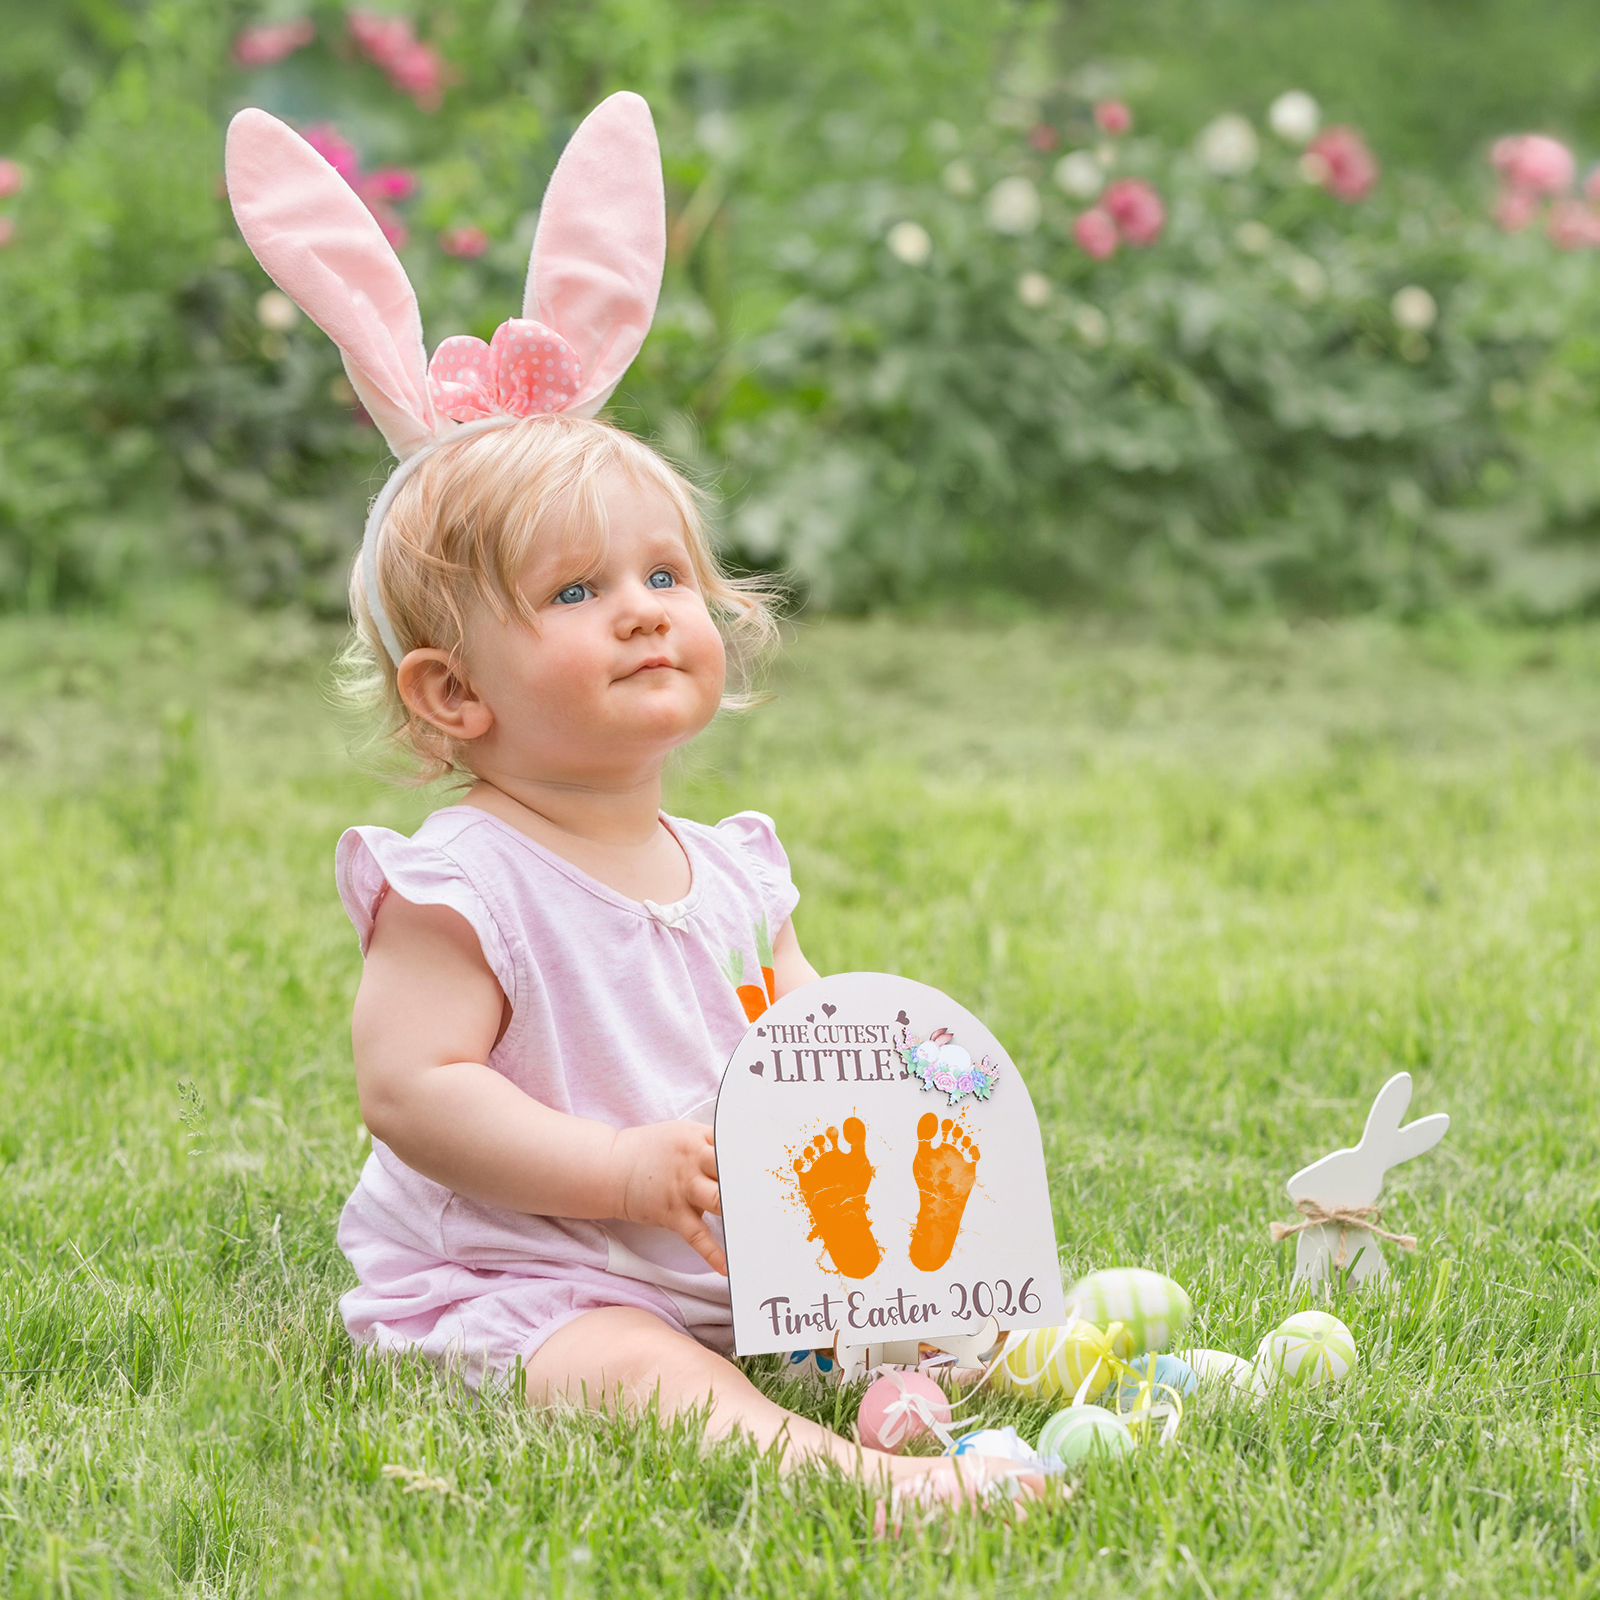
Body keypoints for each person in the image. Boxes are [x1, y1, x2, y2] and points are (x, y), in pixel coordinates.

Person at [223, 94, 1039, 1518]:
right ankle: (851, 1480)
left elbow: (806, 1043)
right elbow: (413, 1093)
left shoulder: (733, 871)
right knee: (626, 1366)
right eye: (575, 592)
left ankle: (1021, 1359)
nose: (647, 612)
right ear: (453, 693)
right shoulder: (463, 884)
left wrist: (892, 1106)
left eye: (665, 576)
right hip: (523, 1271)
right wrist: (614, 1172)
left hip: (720, 1259)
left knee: (938, 1308)